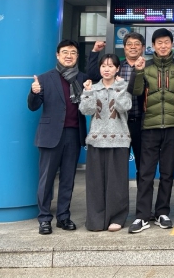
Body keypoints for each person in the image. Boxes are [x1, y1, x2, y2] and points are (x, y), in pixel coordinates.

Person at [28, 39, 98, 235]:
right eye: (65, 52)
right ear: (57, 55)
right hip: (50, 135)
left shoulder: (82, 78)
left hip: (73, 134)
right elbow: (33, 106)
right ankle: (44, 218)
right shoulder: (44, 78)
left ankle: (63, 217)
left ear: (77, 57)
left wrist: (94, 53)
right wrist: (34, 92)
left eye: (73, 53)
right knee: (46, 179)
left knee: (68, 179)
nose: (69, 56)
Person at [128, 28, 174, 233]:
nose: (163, 46)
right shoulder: (144, 67)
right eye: (159, 43)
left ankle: (162, 212)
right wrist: (138, 72)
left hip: (173, 126)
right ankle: (142, 215)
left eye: (166, 42)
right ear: (153, 46)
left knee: (167, 173)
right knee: (146, 173)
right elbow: (136, 92)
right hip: (149, 127)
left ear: (172, 44)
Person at [79, 54, 131, 232]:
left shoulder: (123, 86)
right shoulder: (92, 88)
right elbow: (86, 110)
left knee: (117, 184)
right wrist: (87, 92)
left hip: (119, 141)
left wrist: (119, 88)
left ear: (117, 69)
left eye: (110, 66)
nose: (106, 69)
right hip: (96, 141)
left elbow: (124, 107)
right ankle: (96, 219)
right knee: (95, 184)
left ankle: (117, 218)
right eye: (103, 66)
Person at [89, 32, 146, 178]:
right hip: (118, 123)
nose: (133, 47)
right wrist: (95, 52)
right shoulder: (117, 66)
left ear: (143, 48)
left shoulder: (147, 67)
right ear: (124, 47)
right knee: (118, 167)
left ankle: (142, 194)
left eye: (137, 44)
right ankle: (119, 193)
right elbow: (93, 74)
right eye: (129, 44)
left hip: (140, 123)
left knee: (144, 167)